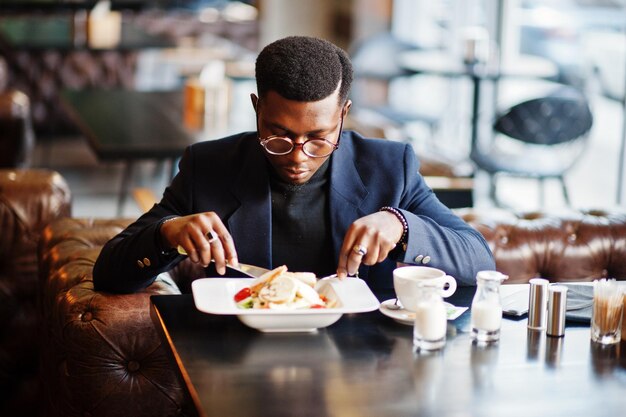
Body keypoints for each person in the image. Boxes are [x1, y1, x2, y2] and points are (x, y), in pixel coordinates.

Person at [93, 36, 494, 296]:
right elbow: (109, 273)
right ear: (256, 109)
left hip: (362, 366)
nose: (298, 157)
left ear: (344, 115)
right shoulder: (209, 167)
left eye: (319, 138)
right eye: (279, 136)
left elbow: (478, 260)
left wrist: (402, 225)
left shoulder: (389, 167)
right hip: (242, 364)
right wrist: (166, 234)